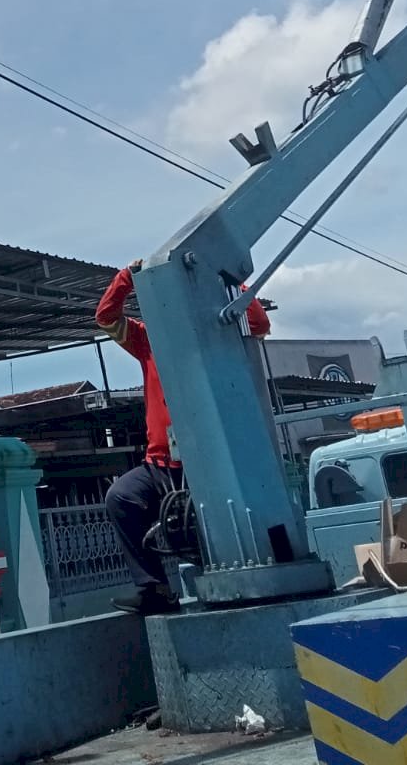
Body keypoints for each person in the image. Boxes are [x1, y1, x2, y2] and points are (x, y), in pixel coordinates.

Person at [96, 258, 271, 613]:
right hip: (160, 464)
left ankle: (235, 583)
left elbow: (259, 323)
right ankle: (154, 589)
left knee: (212, 524)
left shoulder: (217, 333)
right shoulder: (146, 339)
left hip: (209, 460)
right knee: (121, 497)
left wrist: (224, 277)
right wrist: (127, 277)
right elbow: (106, 317)